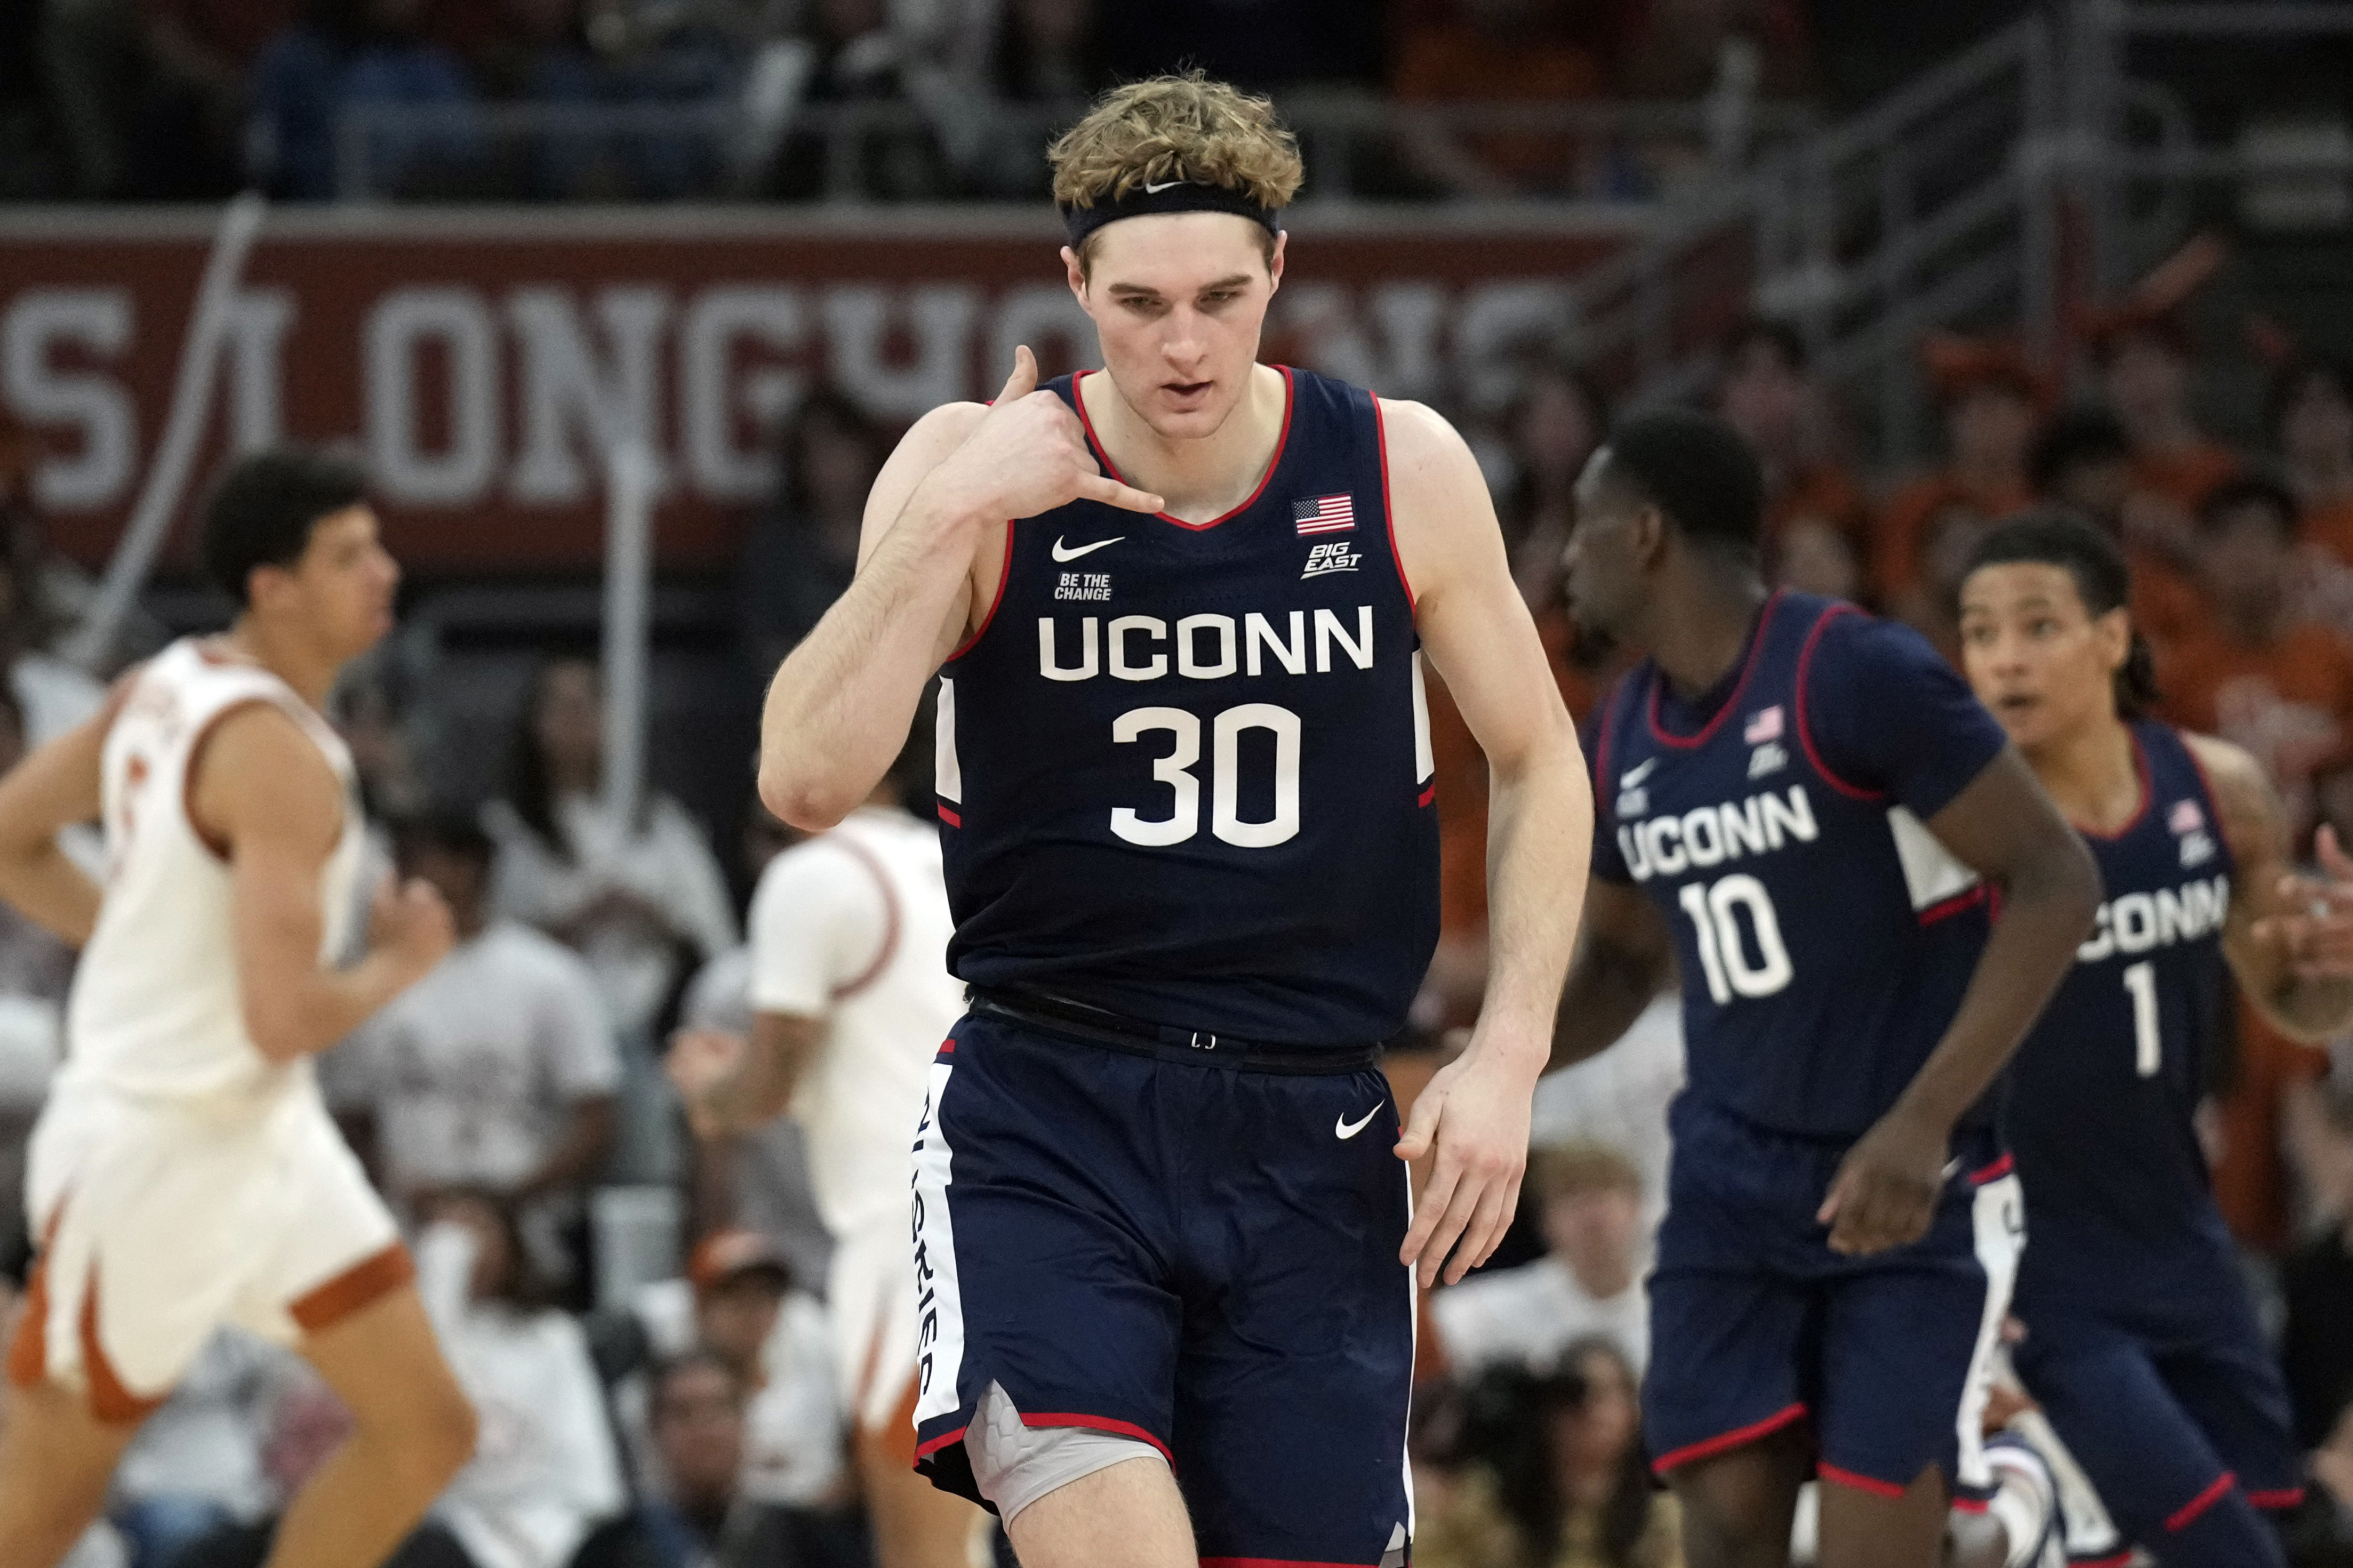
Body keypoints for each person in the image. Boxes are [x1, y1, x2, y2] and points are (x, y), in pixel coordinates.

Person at [755, 70, 1591, 1568]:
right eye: (1139, 301)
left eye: (1218, 293)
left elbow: (1540, 760)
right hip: (1049, 1106)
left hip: (1311, 1119)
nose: (1183, 341)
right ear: (1073, 283)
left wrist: (1510, 1050)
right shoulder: (970, 463)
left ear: (1279, 270)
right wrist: (958, 510)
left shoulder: (1396, 466)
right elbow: (803, 778)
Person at [1550, 407, 2100, 1566]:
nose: (1565, 561)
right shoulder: (1618, 733)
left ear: (1645, 534)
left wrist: (1921, 1119)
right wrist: (1484, 1065)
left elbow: (2056, 878)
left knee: (1869, 1549)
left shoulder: (1852, 671)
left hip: (1898, 1180)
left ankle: (2006, 1508)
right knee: (1728, 1521)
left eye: (1584, 530)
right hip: (1728, 1178)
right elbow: (1615, 963)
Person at [0, 447, 476, 1568]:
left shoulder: (163, 684)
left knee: (428, 1431)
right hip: (153, 1150)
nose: (385, 572)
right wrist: (404, 963)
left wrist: (146, 932)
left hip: (262, 1138)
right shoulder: (278, 757)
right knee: (37, 1520)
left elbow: (12, 835)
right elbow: (285, 1017)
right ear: (273, 587)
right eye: (350, 555)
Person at [1956, 509, 2353, 1565]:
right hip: (2037, 1270)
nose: (2004, 657)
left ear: (2113, 639)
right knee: (2224, 1553)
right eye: (1979, 631)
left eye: (2036, 625)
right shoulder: (1950, 823)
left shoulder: (2220, 790)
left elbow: (2291, 1004)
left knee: (2294, 1535)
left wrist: (2334, 971)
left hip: (2187, 1244)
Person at [669, 716, 983, 1568]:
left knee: (924, 1551)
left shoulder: (812, 874)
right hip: (1018, 1217)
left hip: (911, 1239)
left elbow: (759, 1089)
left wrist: (708, 1088)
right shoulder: (957, 860)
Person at [327, 809, 620, 1294]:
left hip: (524, 1230)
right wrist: (402, 1189)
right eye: (405, 861)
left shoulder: (547, 976)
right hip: (404, 1225)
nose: (413, 874)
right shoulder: (373, 982)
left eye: (429, 859)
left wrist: (507, 1199)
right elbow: (354, 1118)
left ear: (475, 867)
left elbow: (597, 1119)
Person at [412, 1191, 626, 1568]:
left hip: (551, 1524)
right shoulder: (412, 1343)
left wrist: (566, 1534)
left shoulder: (551, 1335)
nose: (468, 1247)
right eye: (450, 1235)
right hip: (446, 1531)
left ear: (509, 1240)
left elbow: (587, 1458)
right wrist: (441, 1281)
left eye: (479, 1229)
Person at [2160, 473, 2353, 850]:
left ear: (2292, 553)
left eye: (2262, 538)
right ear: (2204, 555)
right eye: (2229, 540)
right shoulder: (2177, 674)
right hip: (2223, 864)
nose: (2247, 556)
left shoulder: (2333, 655)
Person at [1416, 1339, 1686, 1568]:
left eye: (1611, 1394)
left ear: (1635, 1411)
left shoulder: (1666, 1515)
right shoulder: (1486, 1502)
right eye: (1575, 1397)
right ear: (1547, 1409)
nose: (1593, 1412)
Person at [1430, 1143, 1651, 1379]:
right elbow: (1446, 1314)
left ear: (1637, 1206)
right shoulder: (1485, 1311)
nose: (1591, 1216)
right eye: (1572, 1199)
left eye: (1602, 1196)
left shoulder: (1679, 1298)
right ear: (1545, 1221)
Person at [571, 1353, 801, 1568]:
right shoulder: (606, 1553)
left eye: (718, 1409)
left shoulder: (804, 1541)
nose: (704, 1431)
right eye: (684, 1413)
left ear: (744, 1422)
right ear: (654, 1430)